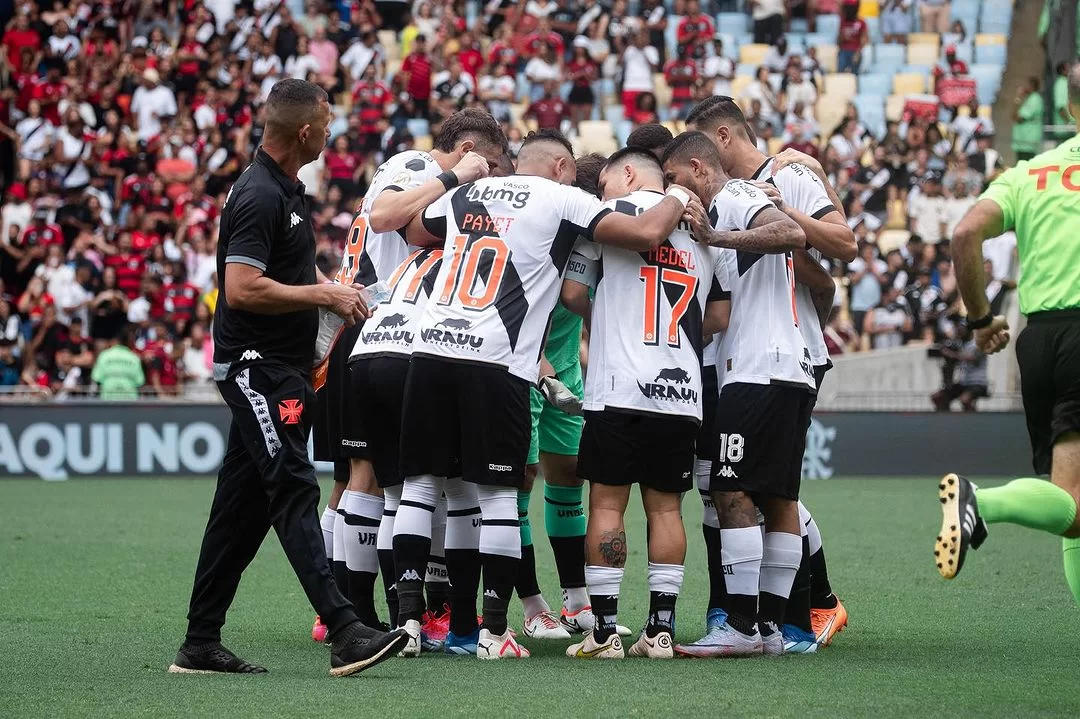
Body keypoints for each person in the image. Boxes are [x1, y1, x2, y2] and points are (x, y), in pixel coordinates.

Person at [391, 129, 696, 659]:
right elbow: (647, 230)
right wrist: (677, 193)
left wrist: (450, 179)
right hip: (498, 360)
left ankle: (410, 627)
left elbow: (411, 228)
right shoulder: (563, 198)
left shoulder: (470, 194)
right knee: (499, 498)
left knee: (420, 489)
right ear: (561, 167)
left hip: (431, 351)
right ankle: (492, 634)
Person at [169, 79, 408, 677]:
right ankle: (345, 627)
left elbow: (278, 273)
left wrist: (329, 290)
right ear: (305, 131)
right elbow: (243, 288)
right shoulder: (258, 195)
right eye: (326, 123)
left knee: (240, 509)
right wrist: (322, 293)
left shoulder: (284, 191)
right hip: (256, 368)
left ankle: (200, 643)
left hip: (280, 368)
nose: (331, 132)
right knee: (295, 487)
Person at [311, 108, 507, 648]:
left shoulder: (423, 178)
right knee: (379, 477)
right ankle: (352, 612)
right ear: (467, 148)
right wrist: (453, 177)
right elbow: (383, 216)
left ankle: (350, 610)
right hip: (376, 325)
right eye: (488, 164)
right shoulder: (417, 165)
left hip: (375, 330)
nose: (489, 178)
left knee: (381, 479)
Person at [684, 98, 855, 651]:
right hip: (736, 355)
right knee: (757, 488)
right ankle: (775, 621)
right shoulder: (725, 199)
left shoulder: (788, 175)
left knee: (744, 486)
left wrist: (794, 220)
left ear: (723, 139)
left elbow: (842, 250)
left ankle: (788, 614)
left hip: (780, 354)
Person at [557, 147, 730, 659]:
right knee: (667, 509)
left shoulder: (606, 220)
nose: (600, 192)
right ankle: (661, 631)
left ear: (627, 174)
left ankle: (606, 632)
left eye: (605, 181)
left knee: (608, 505)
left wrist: (611, 316)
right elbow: (718, 315)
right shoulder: (703, 230)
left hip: (618, 389)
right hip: (680, 394)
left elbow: (570, 295)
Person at [933, 65, 1080, 608]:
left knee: (1072, 509)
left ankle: (981, 504)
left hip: (1041, 339)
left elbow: (966, 232)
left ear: (1068, 110)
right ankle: (983, 505)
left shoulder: (1030, 173)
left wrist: (978, 320)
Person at [661, 130, 810, 657]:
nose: (674, 193)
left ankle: (742, 626)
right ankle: (770, 628)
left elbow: (791, 232)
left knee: (731, 491)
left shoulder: (733, 197)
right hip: (785, 364)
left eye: (676, 180)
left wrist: (715, 238)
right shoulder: (730, 203)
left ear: (699, 168)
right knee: (780, 499)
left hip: (758, 367)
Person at [931, 324, 988, 411]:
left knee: (965, 399)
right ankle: (945, 416)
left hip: (977, 383)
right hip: (963, 382)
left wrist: (951, 354)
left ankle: (973, 419)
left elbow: (972, 358)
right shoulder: (960, 345)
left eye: (961, 331)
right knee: (937, 397)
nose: (959, 333)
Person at [91, 327, 145, 400]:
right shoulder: (134, 357)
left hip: (107, 399)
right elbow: (139, 381)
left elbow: (96, 378)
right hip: (129, 400)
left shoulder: (104, 355)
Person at [1012, 77, 1045, 162]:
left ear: (1031, 86)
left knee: (1025, 167)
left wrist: (1018, 97)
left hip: (1028, 142)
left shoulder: (1034, 99)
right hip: (1023, 142)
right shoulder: (1029, 98)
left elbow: (1018, 118)